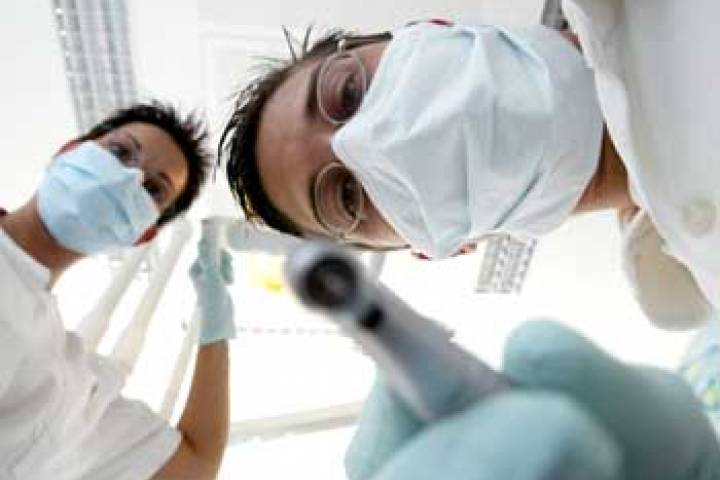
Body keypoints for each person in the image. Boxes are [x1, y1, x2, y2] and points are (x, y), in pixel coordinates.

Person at [0, 102, 236, 479]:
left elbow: (197, 464)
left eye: (153, 189)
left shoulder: (63, 385)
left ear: (140, 233)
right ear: (69, 151)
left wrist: (215, 324)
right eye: (120, 152)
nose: (128, 179)